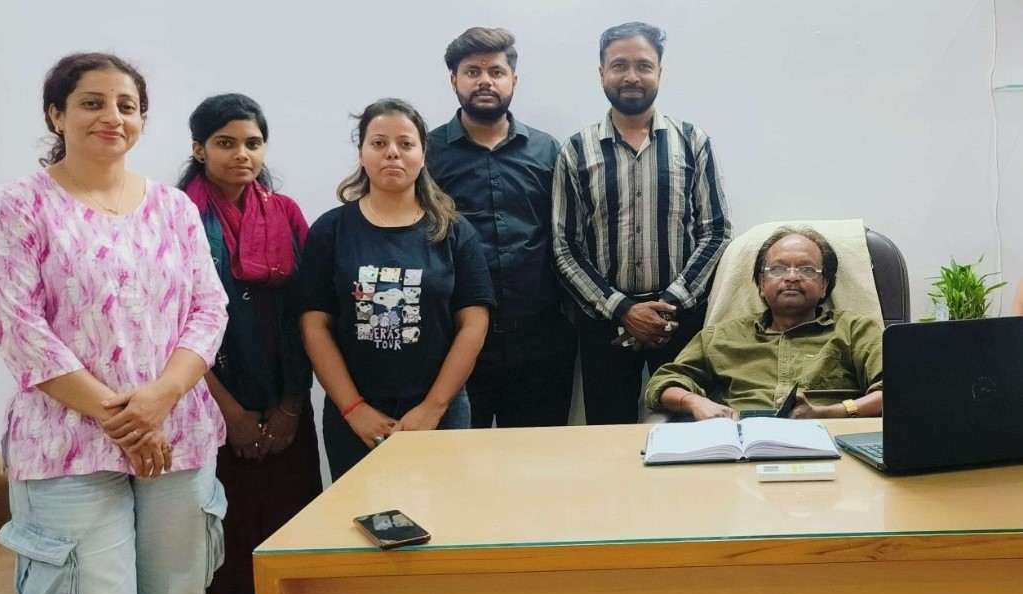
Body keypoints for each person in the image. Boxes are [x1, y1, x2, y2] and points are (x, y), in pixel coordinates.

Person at [0, 53, 228, 594]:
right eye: (91, 102)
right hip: (67, 449)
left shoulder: (174, 207)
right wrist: (125, 418)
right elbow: (19, 326)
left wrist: (160, 399)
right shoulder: (21, 203)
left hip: (178, 440)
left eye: (126, 105)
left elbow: (210, 309)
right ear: (55, 114)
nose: (111, 117)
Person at [177, 93, 321, 594]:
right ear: (199, 148)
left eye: (253, 143)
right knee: (223, 549)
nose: (242, 154)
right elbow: (175, 324)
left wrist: (291, 405)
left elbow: (310, 312)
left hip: (285, 404)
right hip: (208, 409)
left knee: (288, 535)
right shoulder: (177, 215)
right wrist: (230, 414)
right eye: (226, 142)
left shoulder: (285, 213)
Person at [299, 98, 495, 481]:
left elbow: (474, 324)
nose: (392, 153)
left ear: (423, 155)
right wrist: (354, 408)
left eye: (406, 144)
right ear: (361, 153)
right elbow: (314, 326)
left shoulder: (454, 231)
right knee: (359, 515)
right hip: (355, 417)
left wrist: (433, 408)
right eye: (378, 143)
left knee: (443, 511)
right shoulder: (330, 231)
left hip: (440, 411)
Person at [552, 21, 731, 425]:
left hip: (681, 322)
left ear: (659, 73)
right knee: (609, 435)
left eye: (643, 65)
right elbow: (565, 247)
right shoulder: (576, 151)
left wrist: (668, 306)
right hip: (605, 324)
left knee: (688, 435)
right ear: (602, 73)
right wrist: (623, 310)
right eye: (619, 65)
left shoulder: (693, 142)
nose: (631, 76)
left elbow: (716, 231)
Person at [427, 27, 576, 428]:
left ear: (514, 79)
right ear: (454, 80)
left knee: (535, 458)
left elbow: (568, 237)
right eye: (472, 71)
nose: (485, 81)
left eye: (495, 71)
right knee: (460, 459)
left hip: (542, 342)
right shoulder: (426, 153)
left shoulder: (547, 150)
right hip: (456, 344)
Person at [644, 225, 884, 420]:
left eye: (807, 269)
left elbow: (894, 390)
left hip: (832, 439)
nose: (792, 277)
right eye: (778, 269)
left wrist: (827, 413)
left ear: (824, 286)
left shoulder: (855, 330)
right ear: (761, 284)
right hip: (740, 442)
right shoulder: (721, 336)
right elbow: (662, 383)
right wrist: (696, 402)